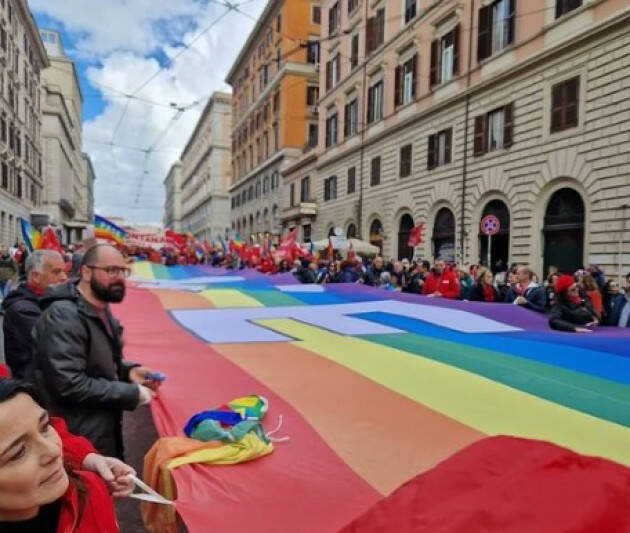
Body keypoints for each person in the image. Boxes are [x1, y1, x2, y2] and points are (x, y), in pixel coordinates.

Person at [32, 244, 159, 458]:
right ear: (86, 272)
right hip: (79, 438)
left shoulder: (100, 308)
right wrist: (131, 394)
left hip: (101, 430)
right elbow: (69, 384)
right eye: (111, 270)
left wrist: (128, 372)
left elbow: (98, 361)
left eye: (123, 271)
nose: (119, 277)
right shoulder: (63, 316)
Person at [0, 378, 135, 532]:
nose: (55, 451)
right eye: (18, 453)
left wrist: (85, 456)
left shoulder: (87, 491)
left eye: (45, 427)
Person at [2, 250, 68, 380]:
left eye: (64, 271)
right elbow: (57, 345)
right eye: (56, 272)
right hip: (34, 388)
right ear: (36, 276)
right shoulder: (22, 310)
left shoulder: (48, 299)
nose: (64, 277)